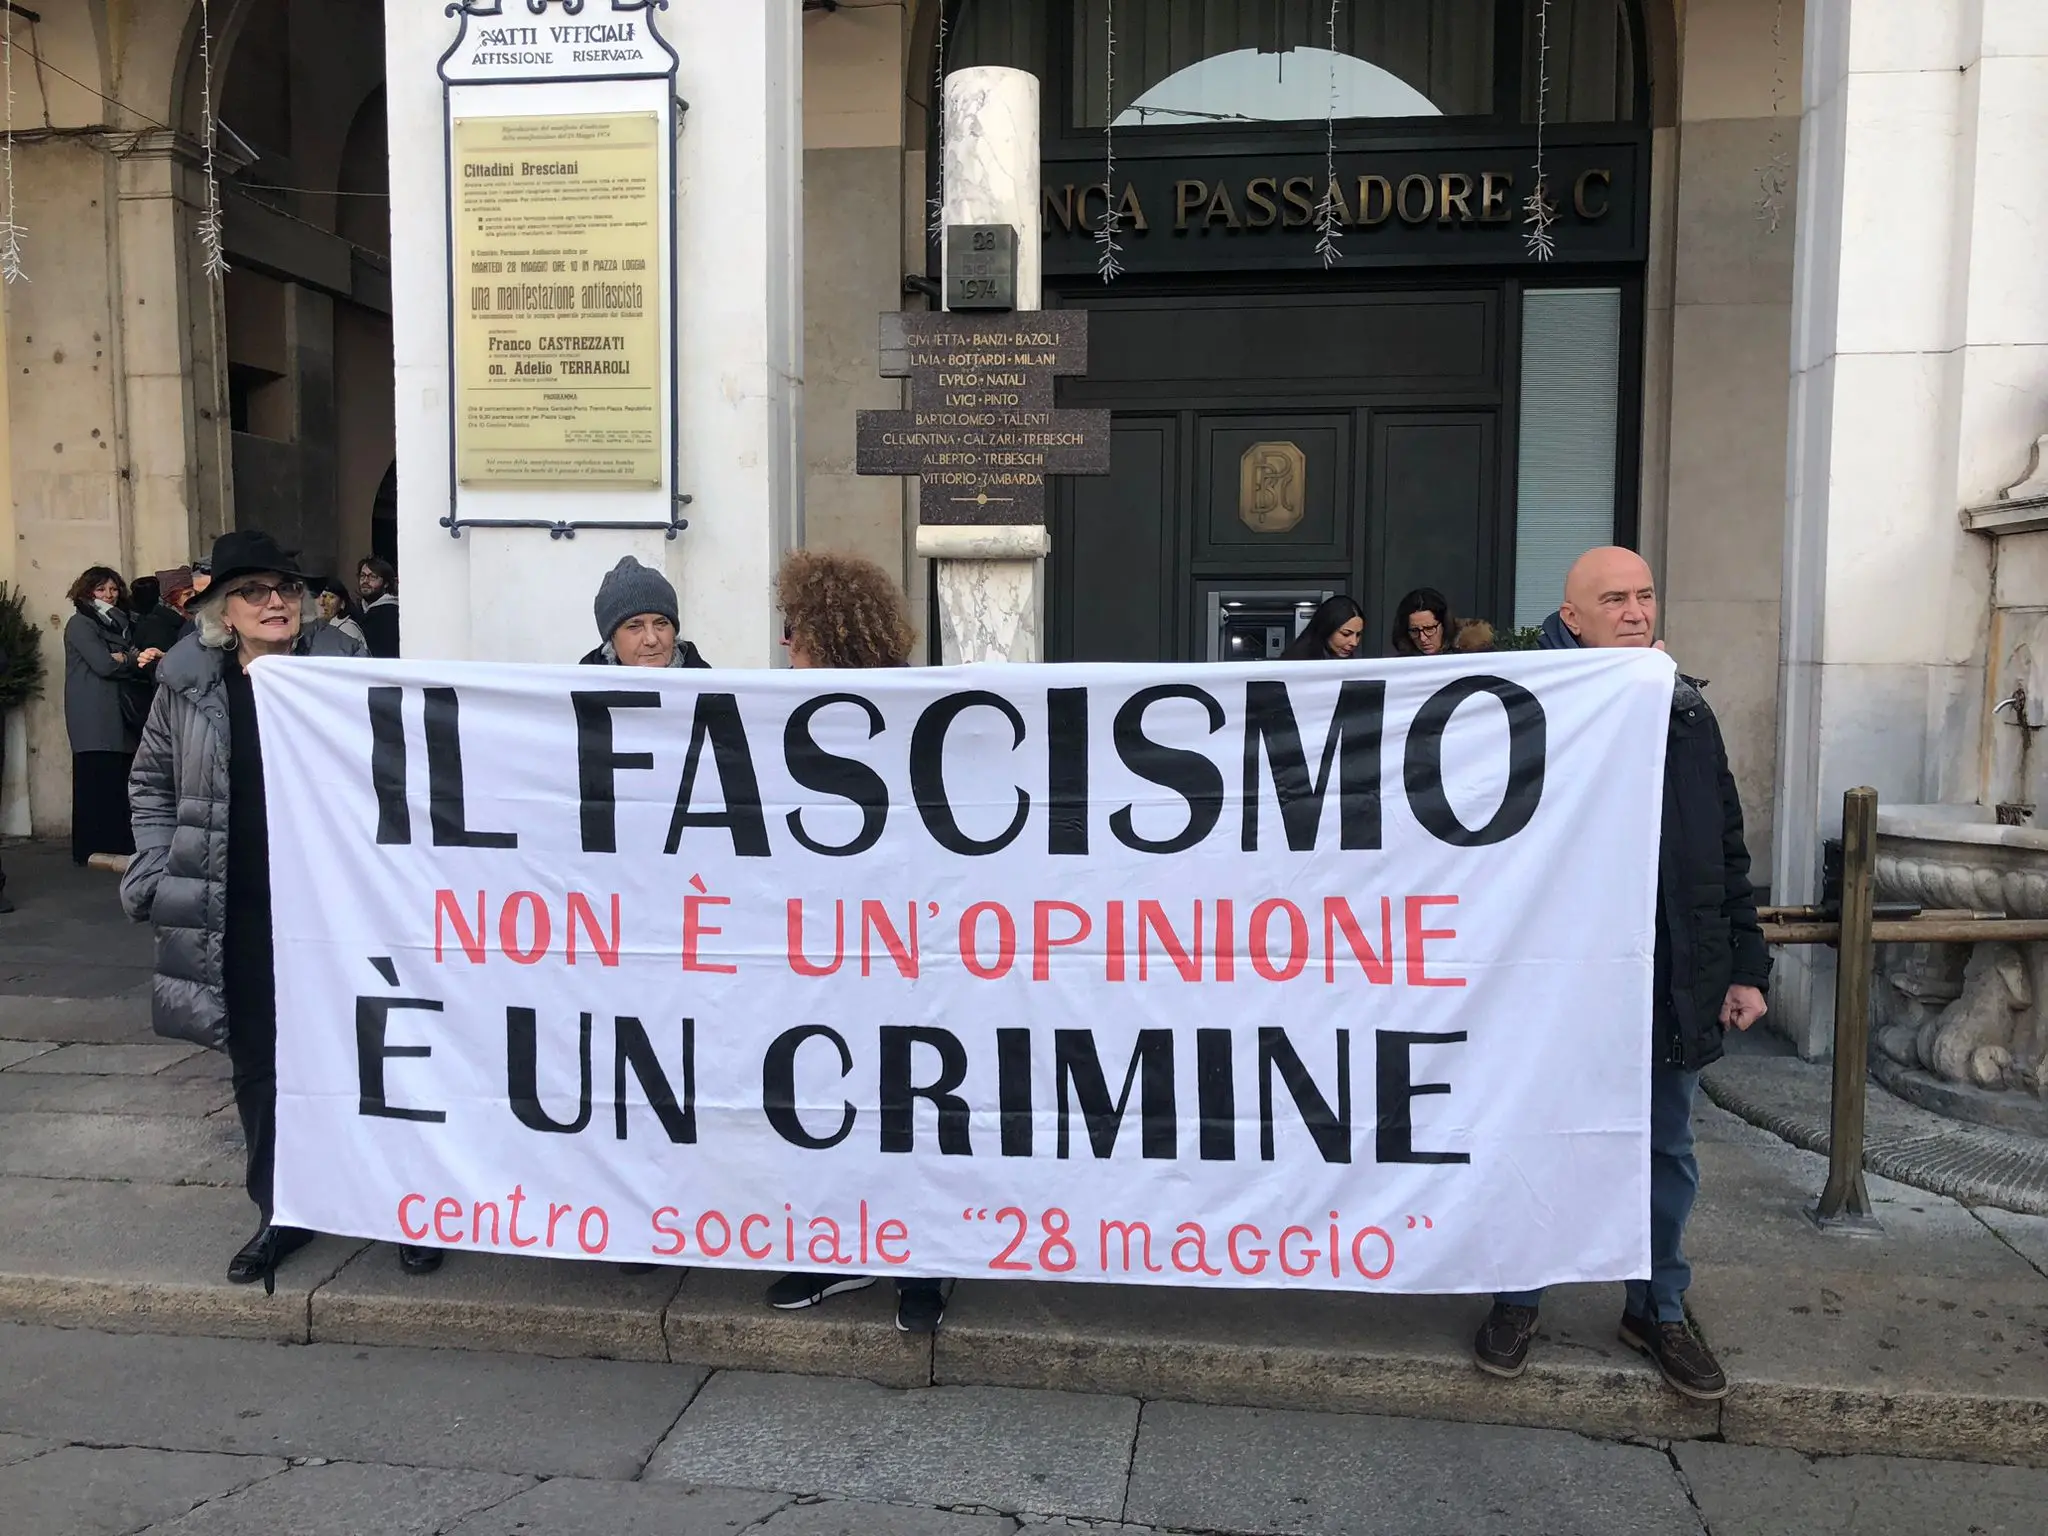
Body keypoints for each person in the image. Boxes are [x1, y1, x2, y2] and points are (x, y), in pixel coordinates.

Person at [1471, 545, 1769, 1402]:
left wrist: (1743, 966)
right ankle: (1519, 1296)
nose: (1636, 612)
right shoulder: (1526, 707)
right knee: (1540, 1134)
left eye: (1644, 596)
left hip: (1667, 973)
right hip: (1555, 975)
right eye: (1614, 600)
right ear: (1573, 618)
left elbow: (1724, 845)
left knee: (1665, 1147)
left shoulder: (1684, 710)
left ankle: (1658, 1309)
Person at [121, 530, 441, 1285]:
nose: (276, 602)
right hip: (237, 903)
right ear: (221, 612)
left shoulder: (345, 671)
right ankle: (283, 1210)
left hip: (339, 907)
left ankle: (402, 1206)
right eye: (255, 592)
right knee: (261, 1062)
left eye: (285, 590)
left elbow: (402, 771)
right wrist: (157, 867)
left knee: (371, 1053)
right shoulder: (188, 685)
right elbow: (151, 784)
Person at [763, 550, 942, 1333]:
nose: (784, 645)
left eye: (794, 629)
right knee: (834, 1098)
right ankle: (842, 1245)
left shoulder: (918, 711)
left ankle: (924, 1263)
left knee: (912, 1102)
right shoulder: (770, 715)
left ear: (829, 633)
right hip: (821, 952)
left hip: (909, 950)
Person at [64, 567, 158, 865]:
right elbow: (103, 665)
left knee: (116, 779)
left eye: (113, 589)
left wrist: (123, 658)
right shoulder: (80, 623)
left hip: (116, 711)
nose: (109, 595)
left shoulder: (120, 622)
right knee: (95, 780)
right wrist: (130, 658)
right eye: (101, 589)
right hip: (93, 713)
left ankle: (112, 844)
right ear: (87, 591)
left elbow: (117, 660)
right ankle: (91, 848)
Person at [579, 556, 711, 668]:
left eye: (661, 624)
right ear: (611, 639)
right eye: (634, 626)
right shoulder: (581, 691)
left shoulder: (710, 688)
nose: (651, 640)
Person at [133, 567, 199, 657]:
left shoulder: (186, 619)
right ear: (172, 598)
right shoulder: (156, 626)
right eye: (187, 594)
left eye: (197, 593)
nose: (195, 598)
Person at [1276, 596, 1365, 661]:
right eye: (1346, 634)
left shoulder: (1356, 663)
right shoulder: (1295, 662)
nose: (1354, 642)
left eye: (1358, 635)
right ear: (1327, 629)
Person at [1388, 587, 1453, 657]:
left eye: (1429, 628)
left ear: (1444, 626)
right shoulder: (1399, 664)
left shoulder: (1464, 659)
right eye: (1414, 630)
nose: (1422, 638)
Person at [357, 556, 401, 659]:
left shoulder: (390, 613)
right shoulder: (361, 610)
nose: (365, 581)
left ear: (385, 583)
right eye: (362, 576)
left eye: (372, 577)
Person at [314, 579, 368, 650]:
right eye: (319, 596)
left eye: (330, 597)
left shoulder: (347, 629)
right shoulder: (317, 627)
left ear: (342, 604)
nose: (322, 602)